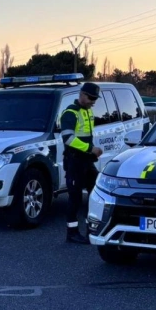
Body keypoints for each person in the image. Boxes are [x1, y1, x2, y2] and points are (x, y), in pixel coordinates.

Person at [59, 82, 103, 244]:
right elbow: (68, 139)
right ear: (82, 95)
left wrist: (91, 153)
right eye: (91, 97)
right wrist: (90, 149)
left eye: (95, 99)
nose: (93, 101)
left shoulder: (87, 111)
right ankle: (72, 233)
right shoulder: (70, 113)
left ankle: (91, 229)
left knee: (95, 194)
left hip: (86, 161)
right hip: (74, 161)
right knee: (75, 197)